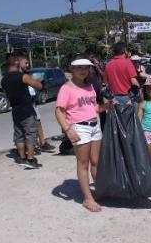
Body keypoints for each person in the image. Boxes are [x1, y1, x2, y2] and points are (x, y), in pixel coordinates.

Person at [55, 58, 110, 212]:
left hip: (94, 126)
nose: (83, 70)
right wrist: (68, 129)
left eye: (86, 67)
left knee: (96, 161)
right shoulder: (66, 88)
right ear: (72, 69)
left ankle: (98, 191)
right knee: (83, 163)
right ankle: (87, 198)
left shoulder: (89, 86)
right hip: (80, 128)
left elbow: (95, 108)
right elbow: (59, 111)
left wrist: (108, 105)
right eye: (79, 67)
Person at [1, 53, 43, 169]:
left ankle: (22, 158)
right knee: (30, 134)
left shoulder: (4, 80)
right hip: (27, 109)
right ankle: (30, 159)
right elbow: (38, 86)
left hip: (15, 110)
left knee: (19, 135)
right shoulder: (22, 76)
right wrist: (37, 81)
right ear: (15, 62)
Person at [18, 56, 54, 152]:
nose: (27, 65)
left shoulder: (27, 74)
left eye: (27, 63)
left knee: (37, 121)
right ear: (18, 63)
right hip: (24, 103)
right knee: (26, 126)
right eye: (25, 63)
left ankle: (42, 143)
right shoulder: (18, 76)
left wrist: (36, 81)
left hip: (32, 101)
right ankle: (28, 147)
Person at [85, 51, 107, 131]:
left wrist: (97, 66)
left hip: (98, 91)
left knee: (102, 111)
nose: (93, 59)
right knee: (90, 110)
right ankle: (90, 128)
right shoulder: (86, 67)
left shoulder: (96, 66)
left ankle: (104, 128)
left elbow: (103, 75)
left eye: (93, 57)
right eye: (91, 57)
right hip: (89, 92)